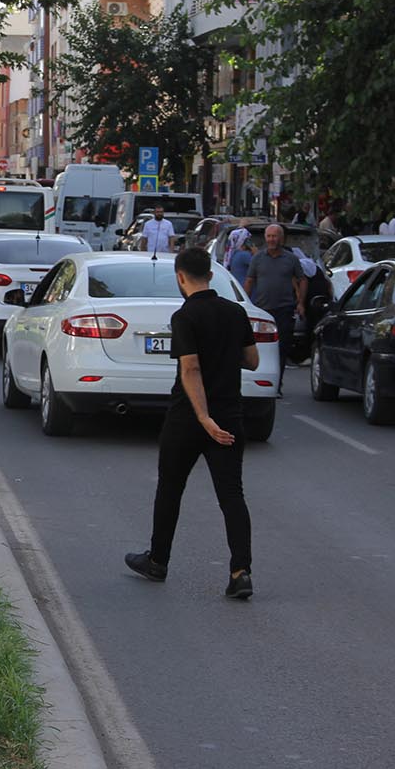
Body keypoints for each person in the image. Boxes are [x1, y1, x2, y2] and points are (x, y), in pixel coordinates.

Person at [124, 247, 258, 599]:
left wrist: (203, 418)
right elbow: (252, 359)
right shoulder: (235, 313)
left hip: (188, 418)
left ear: (180, 277)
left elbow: (191, 368)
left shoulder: (184, 317)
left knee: (170, 487)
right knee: (232, 494)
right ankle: (240, 571)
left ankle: (157, 561)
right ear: (211, 275)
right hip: (230, 416)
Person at [243, 224, 304, 395]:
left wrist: (301, 302)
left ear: (281, 238)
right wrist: (245, 304)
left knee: (282, 348)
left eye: (274, 236)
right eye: (268, 236)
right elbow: (249, 280)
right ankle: (260, 381)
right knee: (260, 347)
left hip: (284, 310)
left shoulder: (291, 259)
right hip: (262, 311)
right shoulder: (257, 259)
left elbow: (302, 279)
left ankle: (277, 384)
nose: (271, 240)